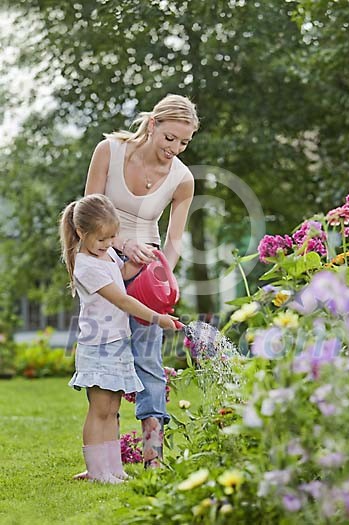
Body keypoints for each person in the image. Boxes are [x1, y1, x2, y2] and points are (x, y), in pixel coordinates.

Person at [84, 94, 199, 468]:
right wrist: (121, 244)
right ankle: (105, 461)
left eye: (183, 142)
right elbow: (87, 215)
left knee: (148, 360)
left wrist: (165, 276)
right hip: (102, 261)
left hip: (146, 272)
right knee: (106, 359)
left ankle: (154, 454)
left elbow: (174, 240)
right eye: (169, 138)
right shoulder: (110, 151)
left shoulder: (182, 179)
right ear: (152, 125)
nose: (175, 149)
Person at [59, 194, 178, 483]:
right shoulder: (86, 266)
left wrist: (141, 264)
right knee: (99, 410)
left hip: (117, 342)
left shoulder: (107, 253)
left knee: (112, 410)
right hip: (99, 347)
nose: (108, 244)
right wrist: (157, 318)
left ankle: (114, 469)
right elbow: (122, 300)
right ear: (80, 233)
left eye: (112, 237)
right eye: (101, 239)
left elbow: (121, 273)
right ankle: (97, 471)